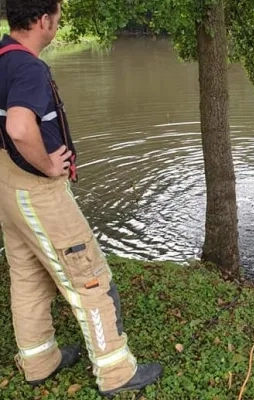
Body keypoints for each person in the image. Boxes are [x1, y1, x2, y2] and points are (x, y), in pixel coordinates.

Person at [0, 0, 162, 396]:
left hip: (7, 185)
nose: (57, 24)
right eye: (56, 17)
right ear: (43, 20)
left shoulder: (1, 57)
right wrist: (49, 166)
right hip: (37, 190)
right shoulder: (29, 68)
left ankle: (39, 360)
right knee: (88, 275)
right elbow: (21, 127)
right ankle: (116, 372)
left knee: (27, 275)